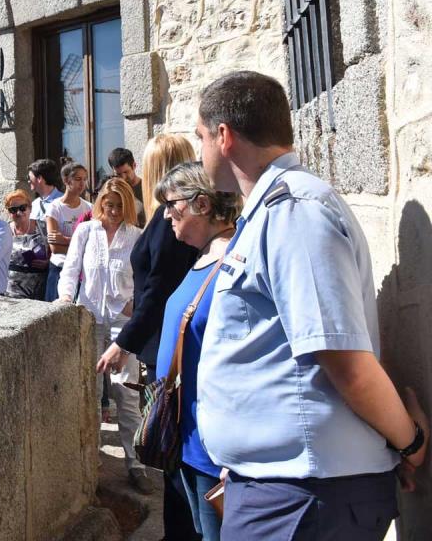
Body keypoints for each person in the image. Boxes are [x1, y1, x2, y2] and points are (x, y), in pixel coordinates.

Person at [194, 71, 428, 540]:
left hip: (303, 497)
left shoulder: (294, 211)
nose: (198, 151)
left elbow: (344, 360)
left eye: (199, 137)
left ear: (224, 136)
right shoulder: (273, 210)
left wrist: (411, 442)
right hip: (287, 489)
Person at [98, 134, 201, 540]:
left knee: (174, 442)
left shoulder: (166, 223)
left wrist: (123, 342)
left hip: (167, 346)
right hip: (166, 342)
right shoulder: (167, 218)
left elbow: (158, 291)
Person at [152, 162, 239, 540]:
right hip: (185, 443)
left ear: (201, 204)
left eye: (172, 205)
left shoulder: (231, 264)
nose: (166, 215)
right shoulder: (202, 257)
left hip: (211, 451)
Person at [55, 177, 147, 493]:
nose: (114, 212)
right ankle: (88, 460)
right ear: (100, 205)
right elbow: (71, 269)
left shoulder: (136, 236)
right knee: (90, 393)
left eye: (120, 206)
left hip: (123, 323)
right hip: (89, 318)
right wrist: (66, 298)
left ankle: (136, 463)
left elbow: (144, 278)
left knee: (127, 393)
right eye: (109, 206)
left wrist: (135, 305)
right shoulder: (86, 231)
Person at [45, 162, 91, 301]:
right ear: (66, 180)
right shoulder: (54, 208)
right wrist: (79, 245)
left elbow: (90, 245)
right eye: (78, 179)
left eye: (84, 179)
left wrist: (64, 240)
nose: (82, 183)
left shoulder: (89, 208)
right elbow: (55, 248)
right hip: (59, 267)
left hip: (81, 270)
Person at [5, 190, 50, 299]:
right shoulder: (4, 230)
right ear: (8, 212)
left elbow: (58, 254)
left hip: (40, 291)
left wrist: (48, 263)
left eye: (22, 208)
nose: (19, 213)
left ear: (30, 208)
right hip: (10, 292)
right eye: (13, 210)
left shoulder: (44, 227)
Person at [27, 158, 64, 240]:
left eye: (29, 177)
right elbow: (30, 233)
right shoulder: (35, 204)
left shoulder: (63, 202)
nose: (28, 181)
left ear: (39, 178)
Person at [109, 146, 146, 226]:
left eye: (126, 172)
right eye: (118, 174)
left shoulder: (147, 188)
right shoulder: (112, 190)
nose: (123, 177)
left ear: (134, 165)